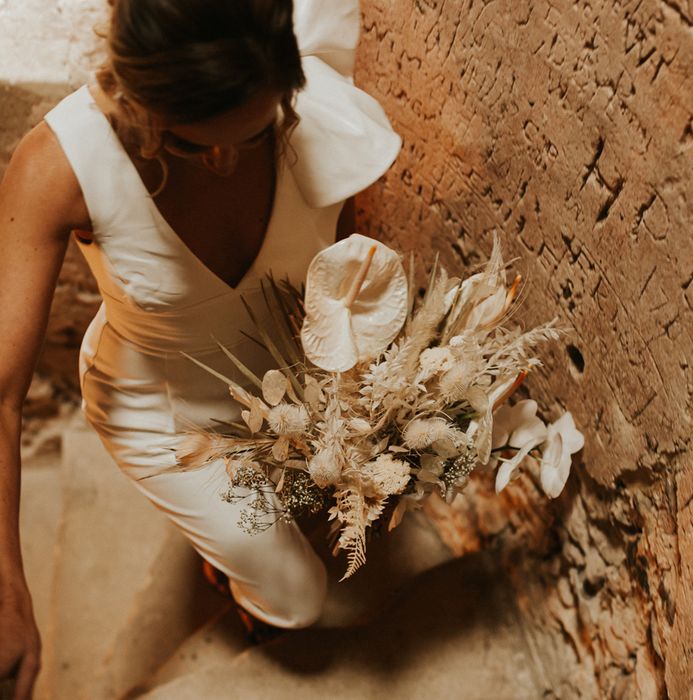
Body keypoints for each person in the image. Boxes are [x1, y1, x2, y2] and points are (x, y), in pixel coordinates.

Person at [0, 0, 401, 697]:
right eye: (187, 144)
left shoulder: (315, 103)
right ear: (133, 88)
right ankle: (236, 567)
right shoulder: (58, 164)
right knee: (299, 599)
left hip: (285, 383)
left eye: (255, 135)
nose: (221, 162)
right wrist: (5, 583)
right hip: (164, 407)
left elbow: (336, 265)